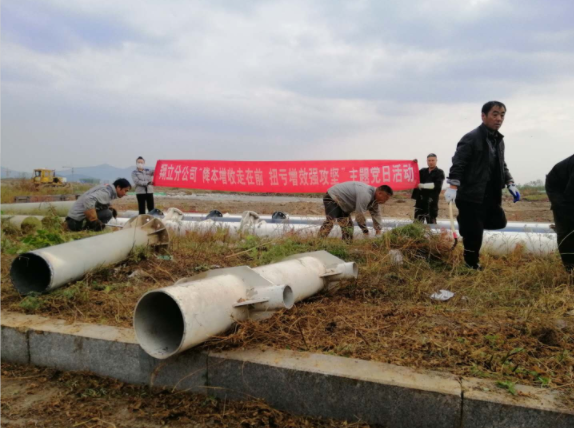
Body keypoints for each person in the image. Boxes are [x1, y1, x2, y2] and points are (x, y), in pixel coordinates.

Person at [445, 101, 520, 270]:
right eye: (495, 114)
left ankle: (466, 227)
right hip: (471, 194)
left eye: (502, 115)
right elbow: (459, 163)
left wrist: (510, 182)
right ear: (483, 116)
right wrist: (453, 186)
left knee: (498, 221)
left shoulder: (498, 141)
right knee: (474, 232)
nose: (499, 119)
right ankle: (471, 264)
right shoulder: (471, 138)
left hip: (490, 194)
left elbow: (501, 165)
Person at [318, 182, 393, 242]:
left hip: (344, 204)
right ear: (380, 193)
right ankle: (319, 241)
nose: (385, 201)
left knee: (348, 226)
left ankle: (346, 244)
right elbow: (359, 215)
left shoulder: (375, 200)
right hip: (333, 197)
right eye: (385, 198)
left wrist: (378, 231)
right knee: (330, 220)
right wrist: (365, 231)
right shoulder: (366, 195)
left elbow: (376, 214)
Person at [65, 179, 131, 231]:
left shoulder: (107, 189)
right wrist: (94, 220)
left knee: (108, 211)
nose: (125, 194)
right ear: (118, 187)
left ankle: (91, 228)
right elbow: (89, 199)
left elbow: (99, 201)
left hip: (73, 219)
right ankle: (91, 229)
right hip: (76, 221)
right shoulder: (106, 192)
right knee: (108, 213)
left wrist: (108, 206)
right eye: (125, 190)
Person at [545, 154, 574, 273]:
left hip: (567, 185)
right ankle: (570, 267)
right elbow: (570, 195)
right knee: (567, 228)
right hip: (559, 188)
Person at [411, 153, 445, 224]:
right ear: (427, 161)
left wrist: (423, 186)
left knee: (431, 223)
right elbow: (413, 175)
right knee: (417, 223)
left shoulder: (439, 172)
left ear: (436, 161)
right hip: (420, 201)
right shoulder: (422, 171)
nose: (431, 162)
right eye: (429, 160)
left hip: (431, 201)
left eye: (433, 160)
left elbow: (437, 185)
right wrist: (413, 165)